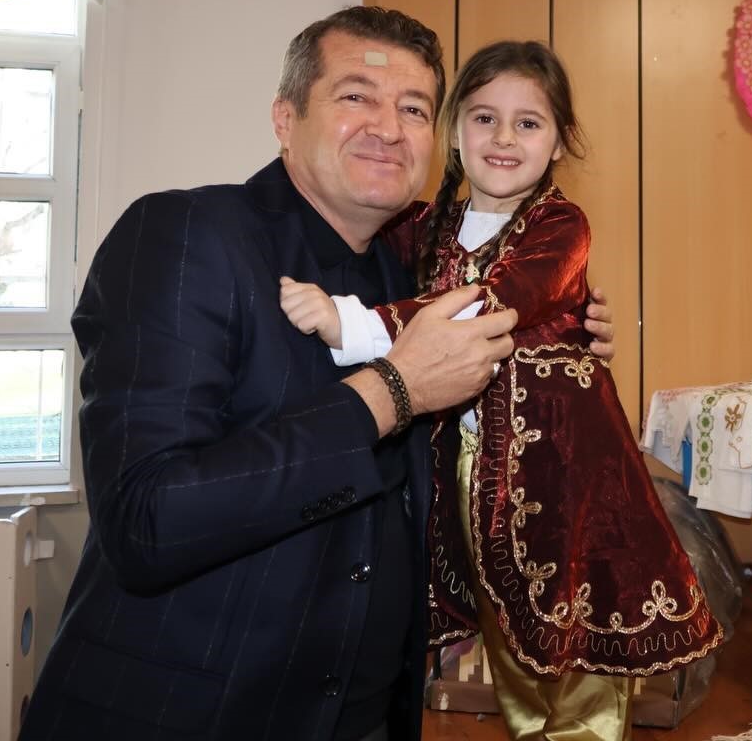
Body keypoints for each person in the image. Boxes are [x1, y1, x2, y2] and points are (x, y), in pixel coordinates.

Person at [19, 8, 616, 741]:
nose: (388, 128)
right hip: (185, 718)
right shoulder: (187, 236)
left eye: (414, 109)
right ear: (285, 118)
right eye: (356, 96)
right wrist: (392, 390)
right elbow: (147, 520)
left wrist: (563, 335)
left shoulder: (413, 275)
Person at [279, 40, 723, 741]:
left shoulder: (560, 225)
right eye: (485, 118)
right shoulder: (422, 226)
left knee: (575, 613)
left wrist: (352, 324)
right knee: (507, 616)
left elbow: (493, 307)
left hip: (565, 467)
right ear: (454, 130)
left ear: (560, 141)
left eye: (529, 123)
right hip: (471, 466)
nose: (504, 138)